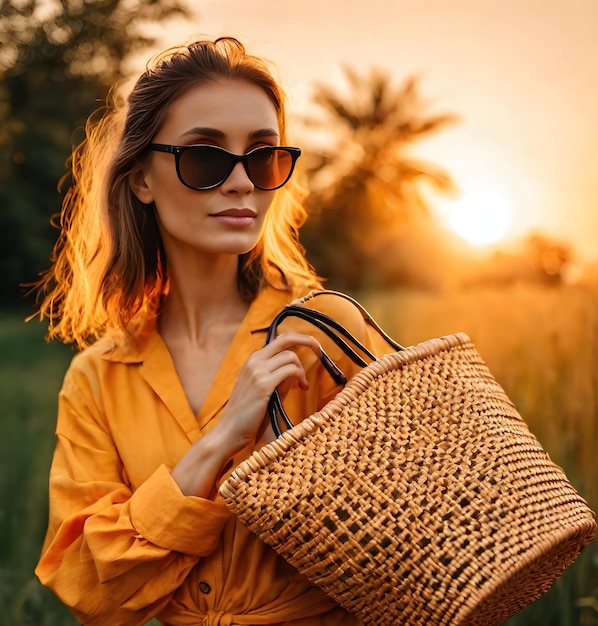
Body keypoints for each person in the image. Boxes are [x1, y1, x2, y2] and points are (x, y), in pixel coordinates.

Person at [34, 37, 395, 626]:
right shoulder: (97, 378)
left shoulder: (329, 330)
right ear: (142, 179)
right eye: (204, 158)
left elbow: (414, 526)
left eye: (263, 156)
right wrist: (222, 437)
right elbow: (87, 584)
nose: (241, 183)